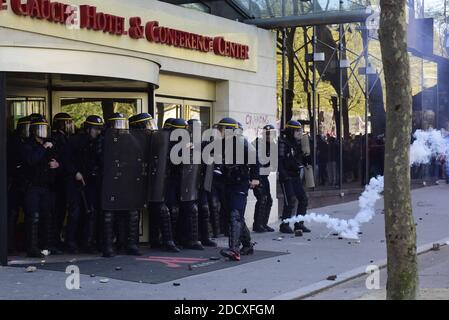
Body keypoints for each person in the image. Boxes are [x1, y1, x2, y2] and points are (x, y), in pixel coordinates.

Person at [130, 113, 180, 252]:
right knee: (134, 213)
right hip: (136, 181)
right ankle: (132, 244)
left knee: (160, 209)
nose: (151, 128)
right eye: (147, 125)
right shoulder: (131, 141)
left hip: (153, 181)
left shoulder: (155, 140)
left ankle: (164, 241)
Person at [217, 118, 259, 261]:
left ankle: (234, 249)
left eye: (221, 129)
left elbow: (255, 160)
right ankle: (247, 245)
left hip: (240, 184)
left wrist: (255, 178)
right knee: (237, 216)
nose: (219, 132)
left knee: (235, 215)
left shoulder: (241, 143)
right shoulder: (220, 144)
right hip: (228, 183)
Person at [102, 113, 141, 257]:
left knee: (131, 212)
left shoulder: (130, 139)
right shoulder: (104, 139)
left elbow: (138, 155)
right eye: (116, 125)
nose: (119, 128)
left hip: (126, 180)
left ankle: (130, 244)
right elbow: (100, 158)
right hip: (110, 181)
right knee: (109, 214)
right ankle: (108, 246)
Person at [21, 115, 61, 257]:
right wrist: (43, 148)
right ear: (33, 131)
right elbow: (31, 160)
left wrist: (57, 165)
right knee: (34, 217)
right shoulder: (28, 145)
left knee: (47, 216)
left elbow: (58, 160)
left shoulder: (50, 144)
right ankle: (32, 247)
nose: (42, 132)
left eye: (44, 129)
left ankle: (47, 245)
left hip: (46, 186)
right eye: (39, 129)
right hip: (32, 187)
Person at [63, 115, 104, 253]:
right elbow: (66, 160)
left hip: (90, 181)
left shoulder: (98, 142)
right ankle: (71, 243)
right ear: (88, 129)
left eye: (99, 129)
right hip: (74, 181)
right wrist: (75, 173)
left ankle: (88, 243)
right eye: (95, 129)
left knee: (91, 212)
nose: (98, 132)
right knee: (75, 212)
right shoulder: (74, 141)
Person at [165, 118, 204, 250]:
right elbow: (173, 160)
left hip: (185, 181)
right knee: (173, 210)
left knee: (189, 209)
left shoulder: (187, 143)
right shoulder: (168, 143)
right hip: (170, 181)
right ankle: (171, 240)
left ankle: (189, 239)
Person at [278, 120, 311, 235]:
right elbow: (280, 161)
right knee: (290, 200)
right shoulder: (283, 143)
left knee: (303, 199)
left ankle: (299, 223)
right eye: (297, 130)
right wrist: (284, 175)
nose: (299, 133)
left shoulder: (297, 143)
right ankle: (284, 224)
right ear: (291, 131)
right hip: (287, 176)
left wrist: (306, 160)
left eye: (300, 130)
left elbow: (298, 157)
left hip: (295, 175)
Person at [51, 112, 76, 249]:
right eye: (67, 123)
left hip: (63, 180)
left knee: (61, 211)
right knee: (57, 212)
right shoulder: (56, 138)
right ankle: (55, 240)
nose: (70, 126)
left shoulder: (65, 137)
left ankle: (58, 239)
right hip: (58, 181)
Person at [7, 116, 30, 253]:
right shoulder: (14, 142)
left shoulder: (26, 143)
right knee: (13, 213)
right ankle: (10, 244)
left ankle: (22, 242)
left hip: (24, 182)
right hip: (15, 182)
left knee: (28, 213)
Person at [252, 124, 276, 233]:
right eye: (267, 134)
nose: (268, 136)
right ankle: (257, 224)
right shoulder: (258, 144)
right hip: (258, 176)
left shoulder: (272, 145)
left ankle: (263, 223)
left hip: (264, 176)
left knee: (268, 200)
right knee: (262, 199)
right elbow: (256, 162)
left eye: (270, 134)